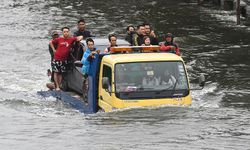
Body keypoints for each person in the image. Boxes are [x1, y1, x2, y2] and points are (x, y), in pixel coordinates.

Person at [49, 27, 83, 91]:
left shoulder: (71, 39)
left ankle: (59, 85)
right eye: (64, 32)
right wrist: (54, 50)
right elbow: (51, 42)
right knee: (56, 72)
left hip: (64, 60)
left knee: (61, 73)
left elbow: (81, 37)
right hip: (56, 58)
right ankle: (57, 86)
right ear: (62, 33)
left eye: (67, 32)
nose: (66, 33)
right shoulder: (59, 39)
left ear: (69, 32)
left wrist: (78, 39)